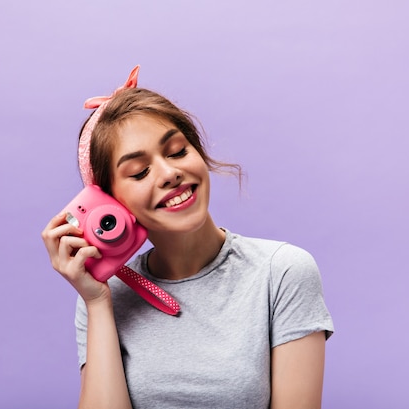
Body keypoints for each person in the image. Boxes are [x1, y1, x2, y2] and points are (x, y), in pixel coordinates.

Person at [41, 66, 334, 409]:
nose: (170, 173)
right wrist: (97, 303)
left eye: (178, 151)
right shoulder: (102, 297)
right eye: (139, 172)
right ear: (109, 201)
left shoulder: (282, 272)